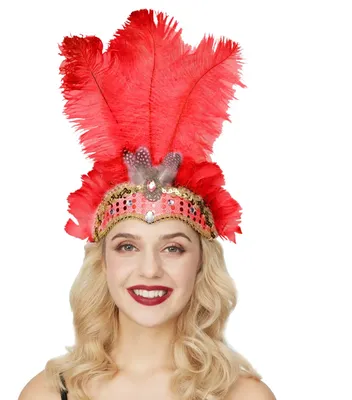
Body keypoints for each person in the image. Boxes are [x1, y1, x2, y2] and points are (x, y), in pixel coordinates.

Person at [18, 8, 276, 400]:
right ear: (102, 262)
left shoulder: (243, 396)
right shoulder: (50, 393)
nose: (150, 269)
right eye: (127, 246)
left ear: (201, 264)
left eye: (173, 248)